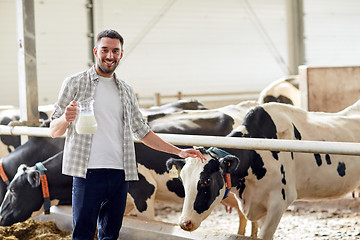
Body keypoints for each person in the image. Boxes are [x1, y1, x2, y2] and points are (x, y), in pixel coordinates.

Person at [50, 29, 205, 240]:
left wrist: (179, 152)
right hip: (87, 173)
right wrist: (65, 119)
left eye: (115, 51)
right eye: (105, 50)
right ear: (96, 51)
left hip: (120, 174)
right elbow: (53, 130)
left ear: (121, 54)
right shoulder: (75, 83)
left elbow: (143, 132)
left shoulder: (126, 90)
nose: (110, 56)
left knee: (111, 234)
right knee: (83, 234)